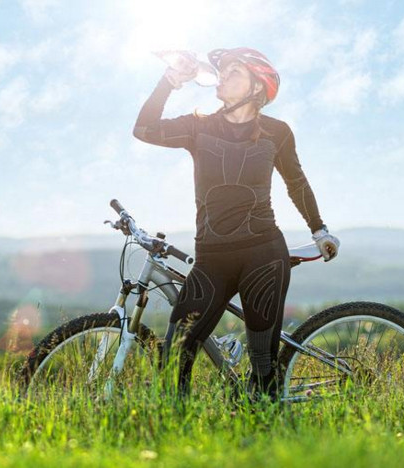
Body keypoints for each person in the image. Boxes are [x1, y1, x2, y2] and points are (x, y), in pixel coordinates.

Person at [133, 47, 340, 400]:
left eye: (234, 72)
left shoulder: (278, 132)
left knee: (262, 368)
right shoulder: (199, 126)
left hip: (263, 255)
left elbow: (296, 182)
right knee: (176, 358)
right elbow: (144, 129)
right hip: (212, 258)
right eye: (223, 71)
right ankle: (176, 437)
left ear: (257, 88)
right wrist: (169, 81)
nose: (223, 77)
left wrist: (318, 230)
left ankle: (264, 436)